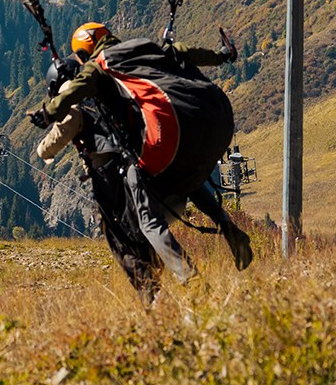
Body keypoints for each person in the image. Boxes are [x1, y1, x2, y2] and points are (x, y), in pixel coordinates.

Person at [35, 19, 253, 292]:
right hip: (208, 125)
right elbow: (182, 51)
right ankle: (227, 226)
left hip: (161, 138)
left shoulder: (98, 65)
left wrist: (48, 113)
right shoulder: (145, 46)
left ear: (86, 49)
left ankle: (190, 279)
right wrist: (220, 56)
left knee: (148, 218)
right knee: (187, 178)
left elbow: (76, 92)